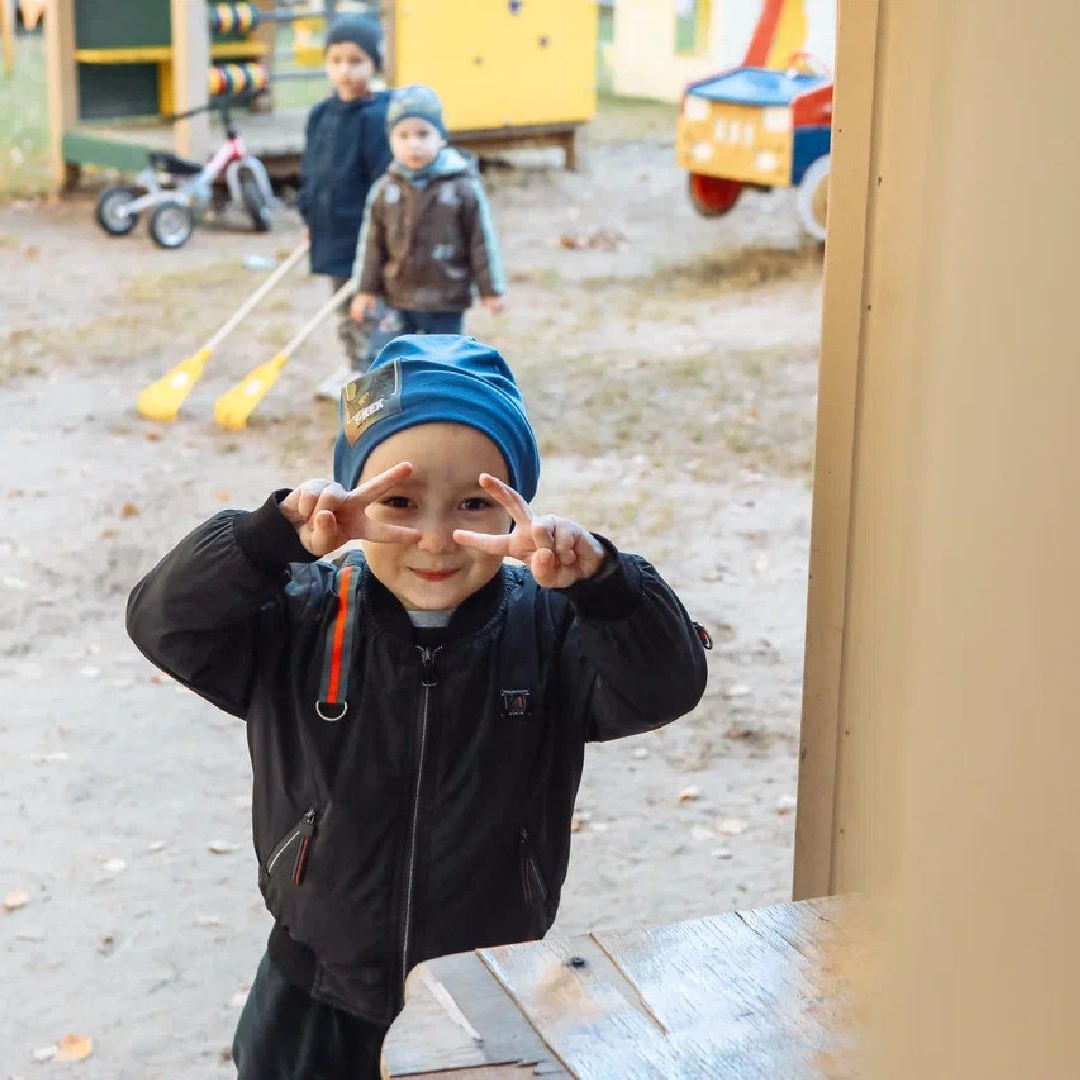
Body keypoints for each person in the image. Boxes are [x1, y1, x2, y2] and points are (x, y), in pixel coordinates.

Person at [127, 335, 710, 1076]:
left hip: (490, 986)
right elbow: (163, 621)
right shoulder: (300, 618)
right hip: (315, 987)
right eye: (398, 502)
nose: (435, 538)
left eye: (473, 503)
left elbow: (664, 685)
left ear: (516, 512)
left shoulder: (552, 627)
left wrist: (607, 584)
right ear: (345, 506)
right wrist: (265, 540)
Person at [349, 85, 506, 359]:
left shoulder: (462, 187)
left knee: (443, 360)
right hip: (396, 296)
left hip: (445, 298)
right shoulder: (385, 190)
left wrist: (490, 289)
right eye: (403, 135)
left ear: (441, 137)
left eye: (423, 134)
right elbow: (372, 245)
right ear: (391, 140)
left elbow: (481, 241)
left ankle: (443, 398)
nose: (414, 144)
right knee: (388, 359)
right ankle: (394, 402)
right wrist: (366, 289)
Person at [296, 11, 392, 400]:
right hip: (331, 229)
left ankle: (373, 377)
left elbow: (384, 180)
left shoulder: (379, 117)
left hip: (364, 233)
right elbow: (312, 170)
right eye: (336, 61)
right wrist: (309, 216)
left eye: (356, 61)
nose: (345, 71)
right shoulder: (321, 115)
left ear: (374, 63)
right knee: (340, 305)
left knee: (366, 307)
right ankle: (352, 366)